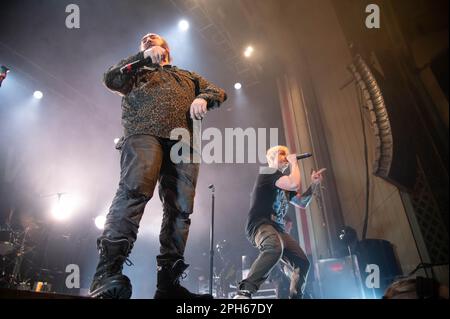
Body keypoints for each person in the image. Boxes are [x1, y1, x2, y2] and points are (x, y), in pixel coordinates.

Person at [89, 33, 227, 299]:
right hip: (143, 132)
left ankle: (168, 286)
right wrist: (141, 59)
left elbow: (218, 92)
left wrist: (203, 98)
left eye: (153, 39)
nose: (148, 39)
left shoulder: (187, 75)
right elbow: (110, 78)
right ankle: (106, 273)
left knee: (181, 210)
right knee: (134, 192)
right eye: (143, 40)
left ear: (167, 49)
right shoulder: (135, 70)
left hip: (183, 143)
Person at [234, 145, 325, 299]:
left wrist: (314, 184)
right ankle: (244, 291)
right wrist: (294, 163)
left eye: (287, 155)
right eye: (281, 154)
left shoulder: (284, 184)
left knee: (303, 263)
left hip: (278, 229)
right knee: (274, 247)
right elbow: (294, 183)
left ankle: (295, 297)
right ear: (271, 159)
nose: (285, 157)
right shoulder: (268, 172)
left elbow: (302, 203)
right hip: (260, 224)